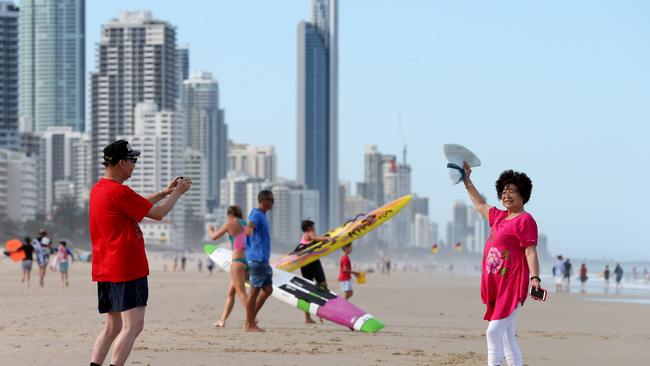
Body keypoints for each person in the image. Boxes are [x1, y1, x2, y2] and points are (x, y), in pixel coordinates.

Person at [89, 139, 191, 366]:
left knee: (112, 327)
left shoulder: (99, 189)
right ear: (122, 163)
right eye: (133, 160)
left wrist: (165, 191)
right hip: (126, 266)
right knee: (132, 326)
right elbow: (158, 213)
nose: (134, 164)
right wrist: (178, 193)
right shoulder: (119, 191)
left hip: (106, 266)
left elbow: (138, 205)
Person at [462, 163, 541, 366]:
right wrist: (467, 180)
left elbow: (530, 251)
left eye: (512, 191)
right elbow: (479, 204)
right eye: (504, 191)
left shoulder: (525, 220)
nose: (507, 195)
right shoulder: (499, 217)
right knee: (506, 335)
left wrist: (535, 278)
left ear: (523, 194)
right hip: (495, 284)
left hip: (512, 283)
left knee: (493, 331)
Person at [208, 205, 249, 328]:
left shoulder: (230, 224)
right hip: (248, 261)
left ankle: (253, 316)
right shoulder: (246, 224)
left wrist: (210, 229)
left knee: (241, 292)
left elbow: (214, 237)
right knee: (231, 292)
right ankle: (222, 320)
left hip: (237, 261)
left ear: (230, 215)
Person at [244, 190, 275, 332]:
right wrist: (249, 231)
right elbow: (249, 228)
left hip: (263, 259)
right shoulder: (256, 214)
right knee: (254, 291)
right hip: (257, 258)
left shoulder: (262, 215)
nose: (273, 203)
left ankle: (250, 318)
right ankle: (250, 324)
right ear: (263, 200)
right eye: (271, 200)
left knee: (268, 290)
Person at [295, 219, 333, 323]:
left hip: (304, 263)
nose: (314, 228)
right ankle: (321, 312)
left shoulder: (304, 236)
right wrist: (328, 238)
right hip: (313, 262)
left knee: (307, 289)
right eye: (313, 226)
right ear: (309, 227)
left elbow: (316, 239)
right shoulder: (310, 233)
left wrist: (328, 234)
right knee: (323, 286)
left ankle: (307, 317)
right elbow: (316, 237)